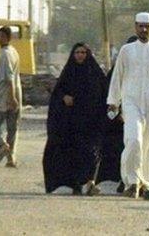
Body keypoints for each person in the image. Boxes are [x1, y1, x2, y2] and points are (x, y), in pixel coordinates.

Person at [107, 12, 149, 200]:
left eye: (147, 26)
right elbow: (117, 77)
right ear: (135, 27)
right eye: (140, 26)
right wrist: (113, 101)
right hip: (131, 102)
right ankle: (131, 182)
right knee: (134, 140)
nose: (144, 29)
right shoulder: (126, 50)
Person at [42, 43, 107, 195]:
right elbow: (57, 94)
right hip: (70, 124)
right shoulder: (68, 73)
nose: (80, 55)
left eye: (83, 52)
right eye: (77, 52)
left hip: (90, 123)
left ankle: (88, 182)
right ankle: (74, 185)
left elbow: (103, 94)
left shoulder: (95, 74)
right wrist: (64, 97)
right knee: (69, 153)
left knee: (89, 154)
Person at [97, 35, 137, 194]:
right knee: (120, 150)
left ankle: (133, 181)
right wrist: (118, 112)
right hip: (118, 122)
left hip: (138, 117)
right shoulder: (118, 70)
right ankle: (124, 180)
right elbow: (111, 92)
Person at [0, 26, 23, 167]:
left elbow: (9, 78)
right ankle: (11, 159)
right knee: (12, 128)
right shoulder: (13, 52)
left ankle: (2, 145)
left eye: (1, 36)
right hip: (13, 94)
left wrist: (11, 97)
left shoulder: (5, 54)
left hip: (5, 96)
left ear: (8, 38)